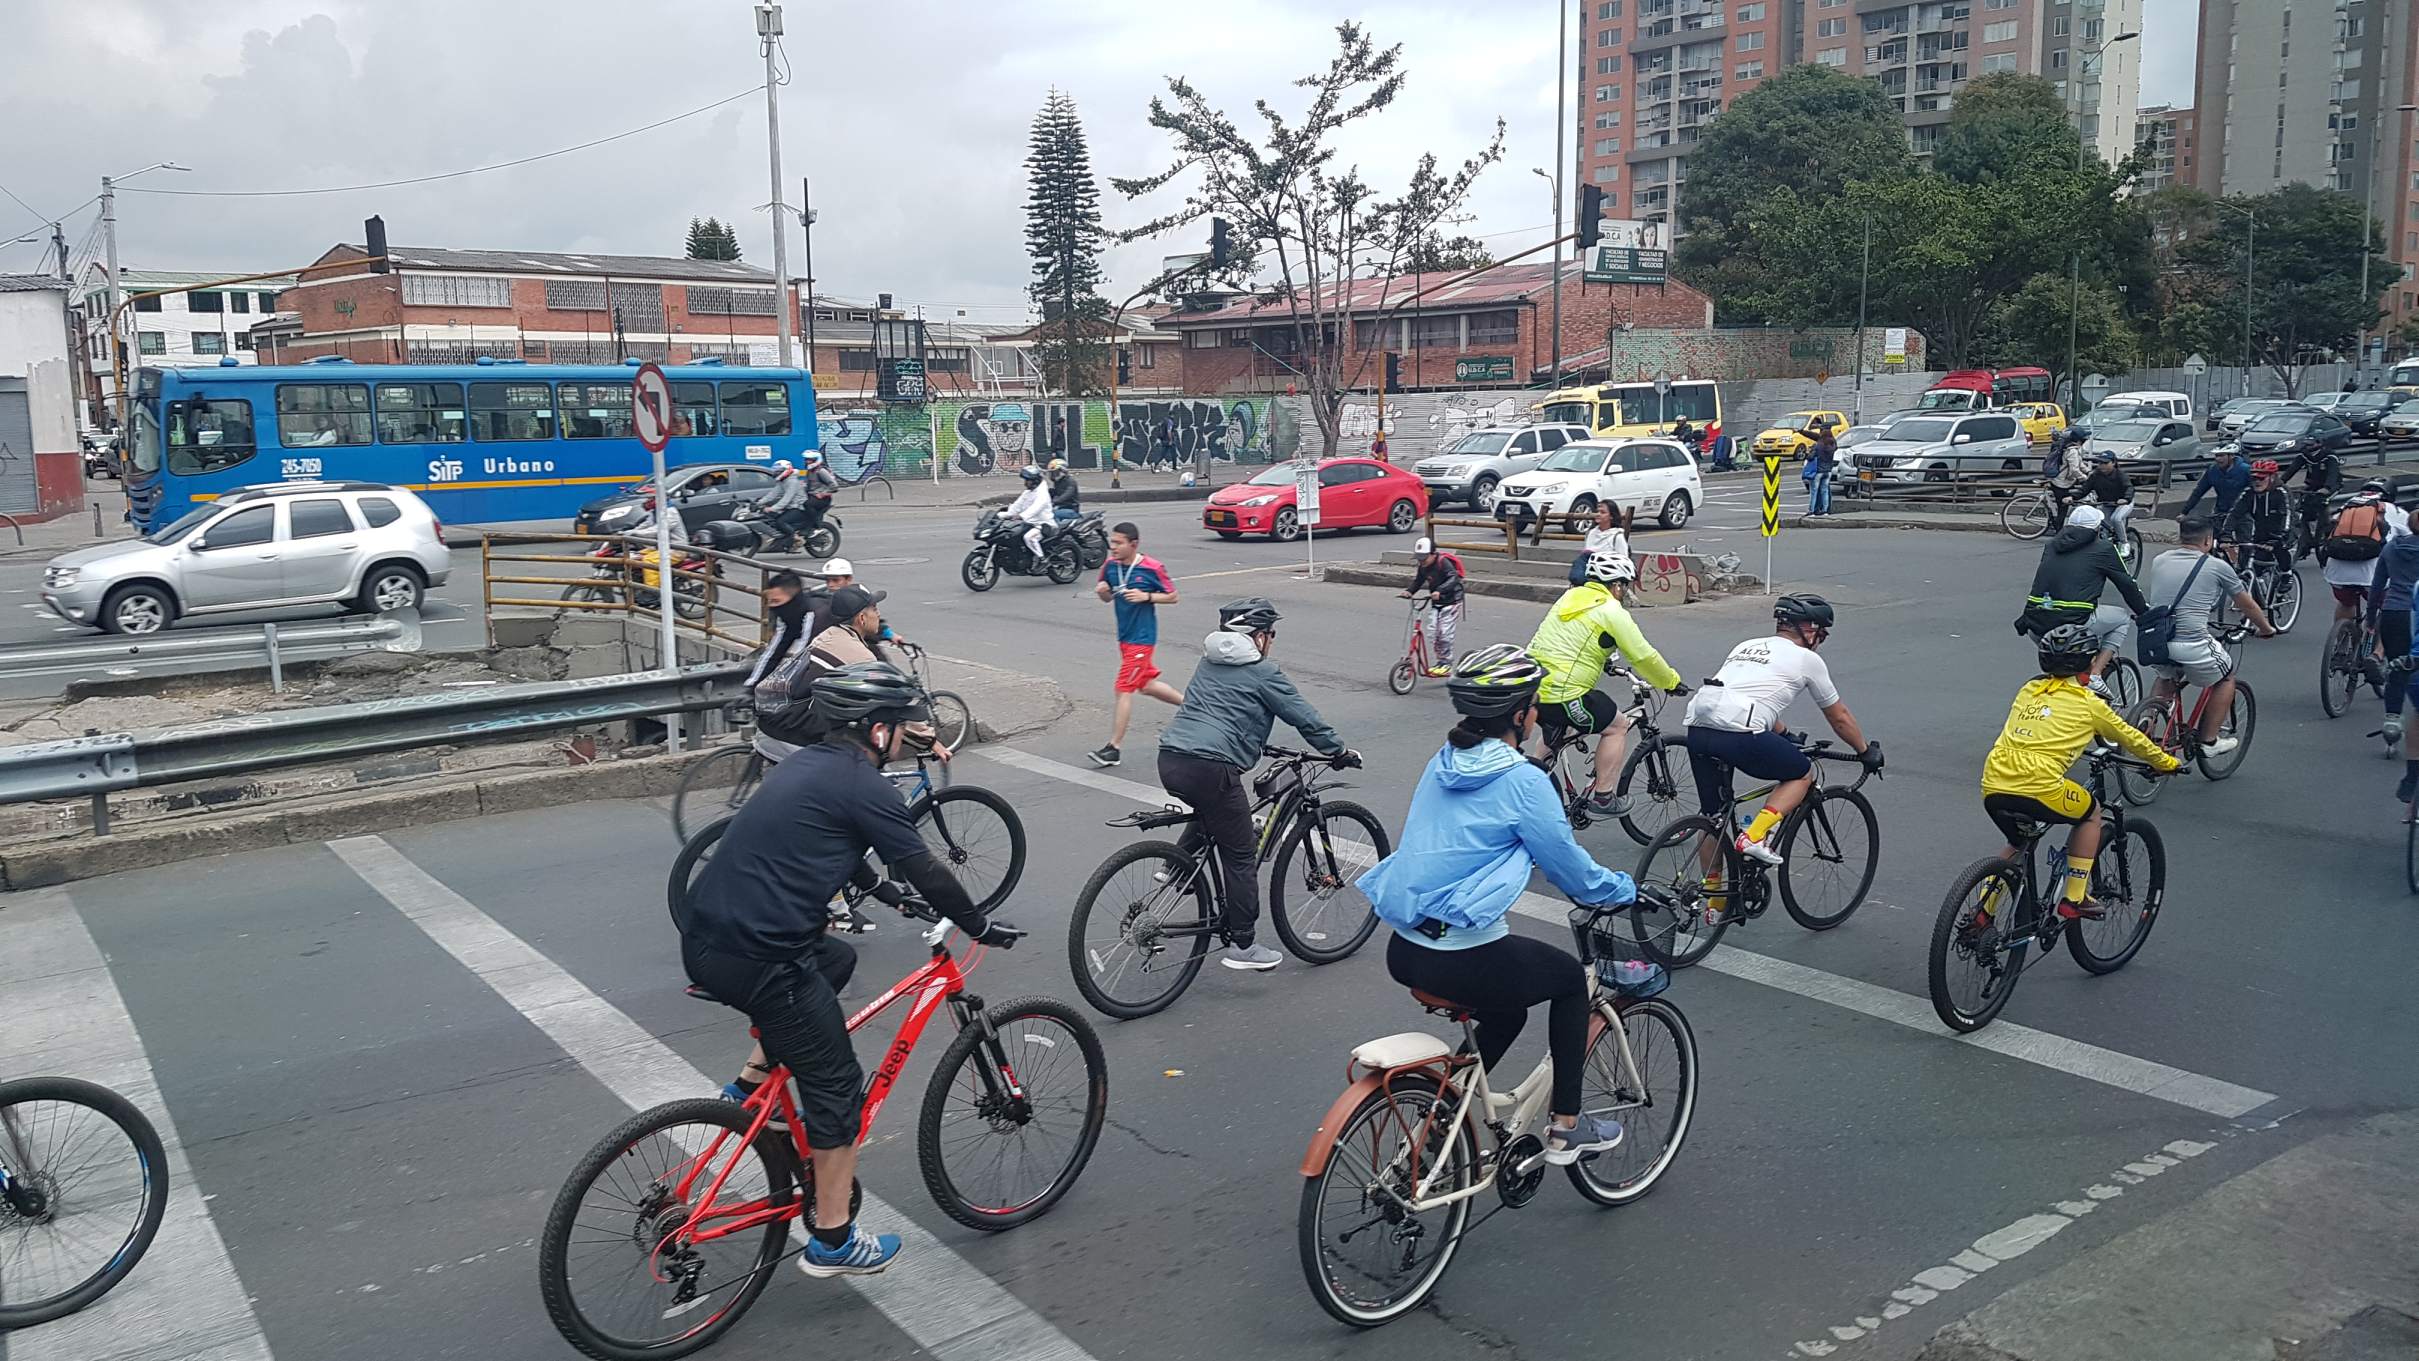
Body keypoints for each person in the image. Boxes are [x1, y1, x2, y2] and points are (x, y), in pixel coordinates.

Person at [681, 660, 1018, 1279]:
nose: (910, 733)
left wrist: (884, 893)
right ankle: (833, 1241)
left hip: (709, 939)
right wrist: (979, 925)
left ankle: (754, 1083)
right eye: (902, 724)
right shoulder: (867, 786)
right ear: (877, 729)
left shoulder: (806, 764)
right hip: (761, 958)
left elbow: (835, 838)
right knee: (837, 1088)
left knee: (835, 958)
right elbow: (928, 869)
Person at [1354, 644, 1635, 1166]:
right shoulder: (1524, 781)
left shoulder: (1444, 761)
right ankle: (1566, 1128)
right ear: (1521, 714)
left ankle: (1442, 1117)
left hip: (1406, 947)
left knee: (1507, 1013)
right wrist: (1624, 890)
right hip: (1461, 954)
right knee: (1569, 981)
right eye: (1534, 704)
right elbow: (1569, 869)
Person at [1157, 598, 1357, 972]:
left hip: (1170, 757)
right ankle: (1244, 946)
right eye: (1271, 633)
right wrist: (1338, 750)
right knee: (1241, 852)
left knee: (1214, 812)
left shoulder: (1208, 662)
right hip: (1211, 766)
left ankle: (1174, 868)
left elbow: (1219, 712)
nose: (1272, 640)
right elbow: (1304, 717)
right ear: (1257, 636)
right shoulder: (1263, 672)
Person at [1976, 624, 2180, 925]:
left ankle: (1982, 912)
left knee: (2018, 843)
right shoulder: (2089, 704)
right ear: (2090, 663)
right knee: (2091, 813)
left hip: (1994, 783)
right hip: (2040, 786)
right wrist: (2166, 763)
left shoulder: (2029, 690)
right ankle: (2074, 898)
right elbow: (2131, 739)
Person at [1684, 595, 1880, 869]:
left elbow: (1749, 694)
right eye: (1822, 634)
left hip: (1698, 729)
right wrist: (1865, 751)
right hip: (1739, 733)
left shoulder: (1747, 645)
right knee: (1801, 774)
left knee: (1712, 818)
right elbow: (1839, 718)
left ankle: (1712, 895)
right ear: (1810, 630)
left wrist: (1785, 734)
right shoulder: (1807, 659)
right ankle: (1754, 836)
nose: (1821, 641)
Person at [1527, 553, 1686, 815]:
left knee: (1556, 731)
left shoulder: (1569, 598)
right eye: (1625, 586)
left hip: (1534, 687)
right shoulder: (1611, 610)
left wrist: (1604, 661)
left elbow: (1572, 640)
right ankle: (1603, 798)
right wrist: (1670, 681)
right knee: (1617, 725)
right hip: (1564, 692)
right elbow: (1643, 656)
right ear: (1617, 585)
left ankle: (1531, 776)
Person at [2139, 517, 2275, 757]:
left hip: (2158, 640)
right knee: (2226, 677)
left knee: (2166, 675)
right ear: (2208, 540)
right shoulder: (2217, 566)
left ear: (2180, 536)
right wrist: (2266, 629)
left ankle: (2147, 719)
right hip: (2191, 642)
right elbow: (2247, 605)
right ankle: (2209, 742)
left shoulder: (2160, 560)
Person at [2014, 502, 2150, 693]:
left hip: (2036, 621)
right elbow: (2127, 585)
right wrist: (2144, 611)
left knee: (2061, 671)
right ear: (2097, 528)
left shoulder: (2052, 545)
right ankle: (2095, 675)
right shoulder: (2104, 548)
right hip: (2075, 620)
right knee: (2121, 618)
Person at [1089, 522, 1184, 768]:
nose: (1113, 548)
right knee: (1146, 685)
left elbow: (1173, 596)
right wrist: (1102, 592)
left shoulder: (1151, 567)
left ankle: (1114, 748)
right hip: (1125, 637)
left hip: (1142, 639)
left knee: (1123, 688)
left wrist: (1147, 596)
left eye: (1118, 543)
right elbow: (1107, 597)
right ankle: (1194, 707)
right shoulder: (1110, 566)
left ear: (1134, 544)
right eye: (1112, 542)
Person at [2316, 478, 2407, 624]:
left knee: (2345, 603)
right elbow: (2412, 537)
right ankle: (2380, 638)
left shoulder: (2348, 506)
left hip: (2337, 573)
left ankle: (2342, 635)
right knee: (2388, 606)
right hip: (2372, 576)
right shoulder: (2394, 511)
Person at [2369, 517, 2419, 747]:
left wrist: (2371, 618)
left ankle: (2392, 723)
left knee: (2397, 668)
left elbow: (2377, 584)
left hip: (2394, 612)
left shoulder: (2392, 547)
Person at [1401, 537, 1466, 677]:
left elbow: (1453, 578)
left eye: (1424, 558)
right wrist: (1409, 591)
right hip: (1436, 602)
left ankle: (1446, 664)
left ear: (1432, 554)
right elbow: (1418, 581)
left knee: (1444, 633)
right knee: (1434, 633)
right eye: (1419, 559)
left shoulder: (1443, 562)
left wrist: (1440, 590)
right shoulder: (1423, 567)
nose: (1421, 562)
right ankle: (1441, 662)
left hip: (1451, 601)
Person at [741, 570, 810, 694]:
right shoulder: (785, 618)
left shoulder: (812, 614)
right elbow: (772, 653)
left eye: (776, 601)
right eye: (769, 602)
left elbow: (803, 655)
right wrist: (751, 687)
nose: (772, 607)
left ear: (794, 598)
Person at [2225, 459, 2293, 578]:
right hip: (2261, 532)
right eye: (2254, 478)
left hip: (2284, 531)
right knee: (2254, 566)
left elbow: (2288, 516)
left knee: (2281, 550)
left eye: (2261, 478)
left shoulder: (2281, 492)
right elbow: (2234, 514)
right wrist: (2226, 534)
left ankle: (2287, 575)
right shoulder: (2248, 493)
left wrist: (2279, 538)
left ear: (2272, 477)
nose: (2257, 482)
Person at [2288, 444, 2344, 561]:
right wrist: (2280, 483)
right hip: (2313, 485)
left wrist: (2327, 488)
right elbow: (2291, 470)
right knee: (2303, 508)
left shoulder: (2330, 456)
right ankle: (2305, 541)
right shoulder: (2304, 455)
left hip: (2331, 486)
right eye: (2307, 444)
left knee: (2322, 504)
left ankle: (2327, 533)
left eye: (2311, 444)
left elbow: (2333, 474)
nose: (2308, 447)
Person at [2079, 449, 2136, 549]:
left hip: (2123, 503)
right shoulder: (2095, 476)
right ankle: (2105, 549)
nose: (2102, 466)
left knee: (2116, 518)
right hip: (2107, 503)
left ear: (2113, 463)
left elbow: (2129, 488)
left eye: (2105, 463)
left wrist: (2125, 499)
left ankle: (2124, 543)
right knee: (2103, 526)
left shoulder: (2120, 475)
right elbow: (2085, 489)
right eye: (2100, 463)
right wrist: (2072, 497)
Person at [2178, 445, 2250, 523]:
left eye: (2221, 456)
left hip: (2242, 514)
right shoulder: (2213, 470)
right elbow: (2198, 492)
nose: (2218, 459)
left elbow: (2255, 492)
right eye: (2216, 456)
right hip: (2221, 512)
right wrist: (2184, 512)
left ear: (2231, 456)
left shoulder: (2245, 470)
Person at [1572, 500, 1633, 587]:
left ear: (1611, 516)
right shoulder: (1591, 533)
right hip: (1588, 573)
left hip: (1606, 577)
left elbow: (1623, 561)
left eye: (1603, 512)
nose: (1598, 514)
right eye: (1597, 511)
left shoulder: (1617, 536)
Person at [1005, 465, 1057, 561]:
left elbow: (1035, 508)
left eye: (1027, 480)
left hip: (1043, 525)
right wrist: (1003, 515)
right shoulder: (1028, 492)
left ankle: (1042, 560)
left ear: (1035, 481)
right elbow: (1017, 505)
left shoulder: (1042, 494)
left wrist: (1021, 516)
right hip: (1030, 524)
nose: (1025, 483)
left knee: (1029, 538)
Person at [1047, 458, 1082, 523]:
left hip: (1071, 509)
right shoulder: (1058, 482)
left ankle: (1057, 529)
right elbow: (1054, 492)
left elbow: (1066, 495)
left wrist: (1054, 501)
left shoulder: (1070, 482)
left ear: (1062, 471)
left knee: (1051, 515)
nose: (1053, 475)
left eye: (1055, 472)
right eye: (1052, 473)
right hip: (1060, 507)